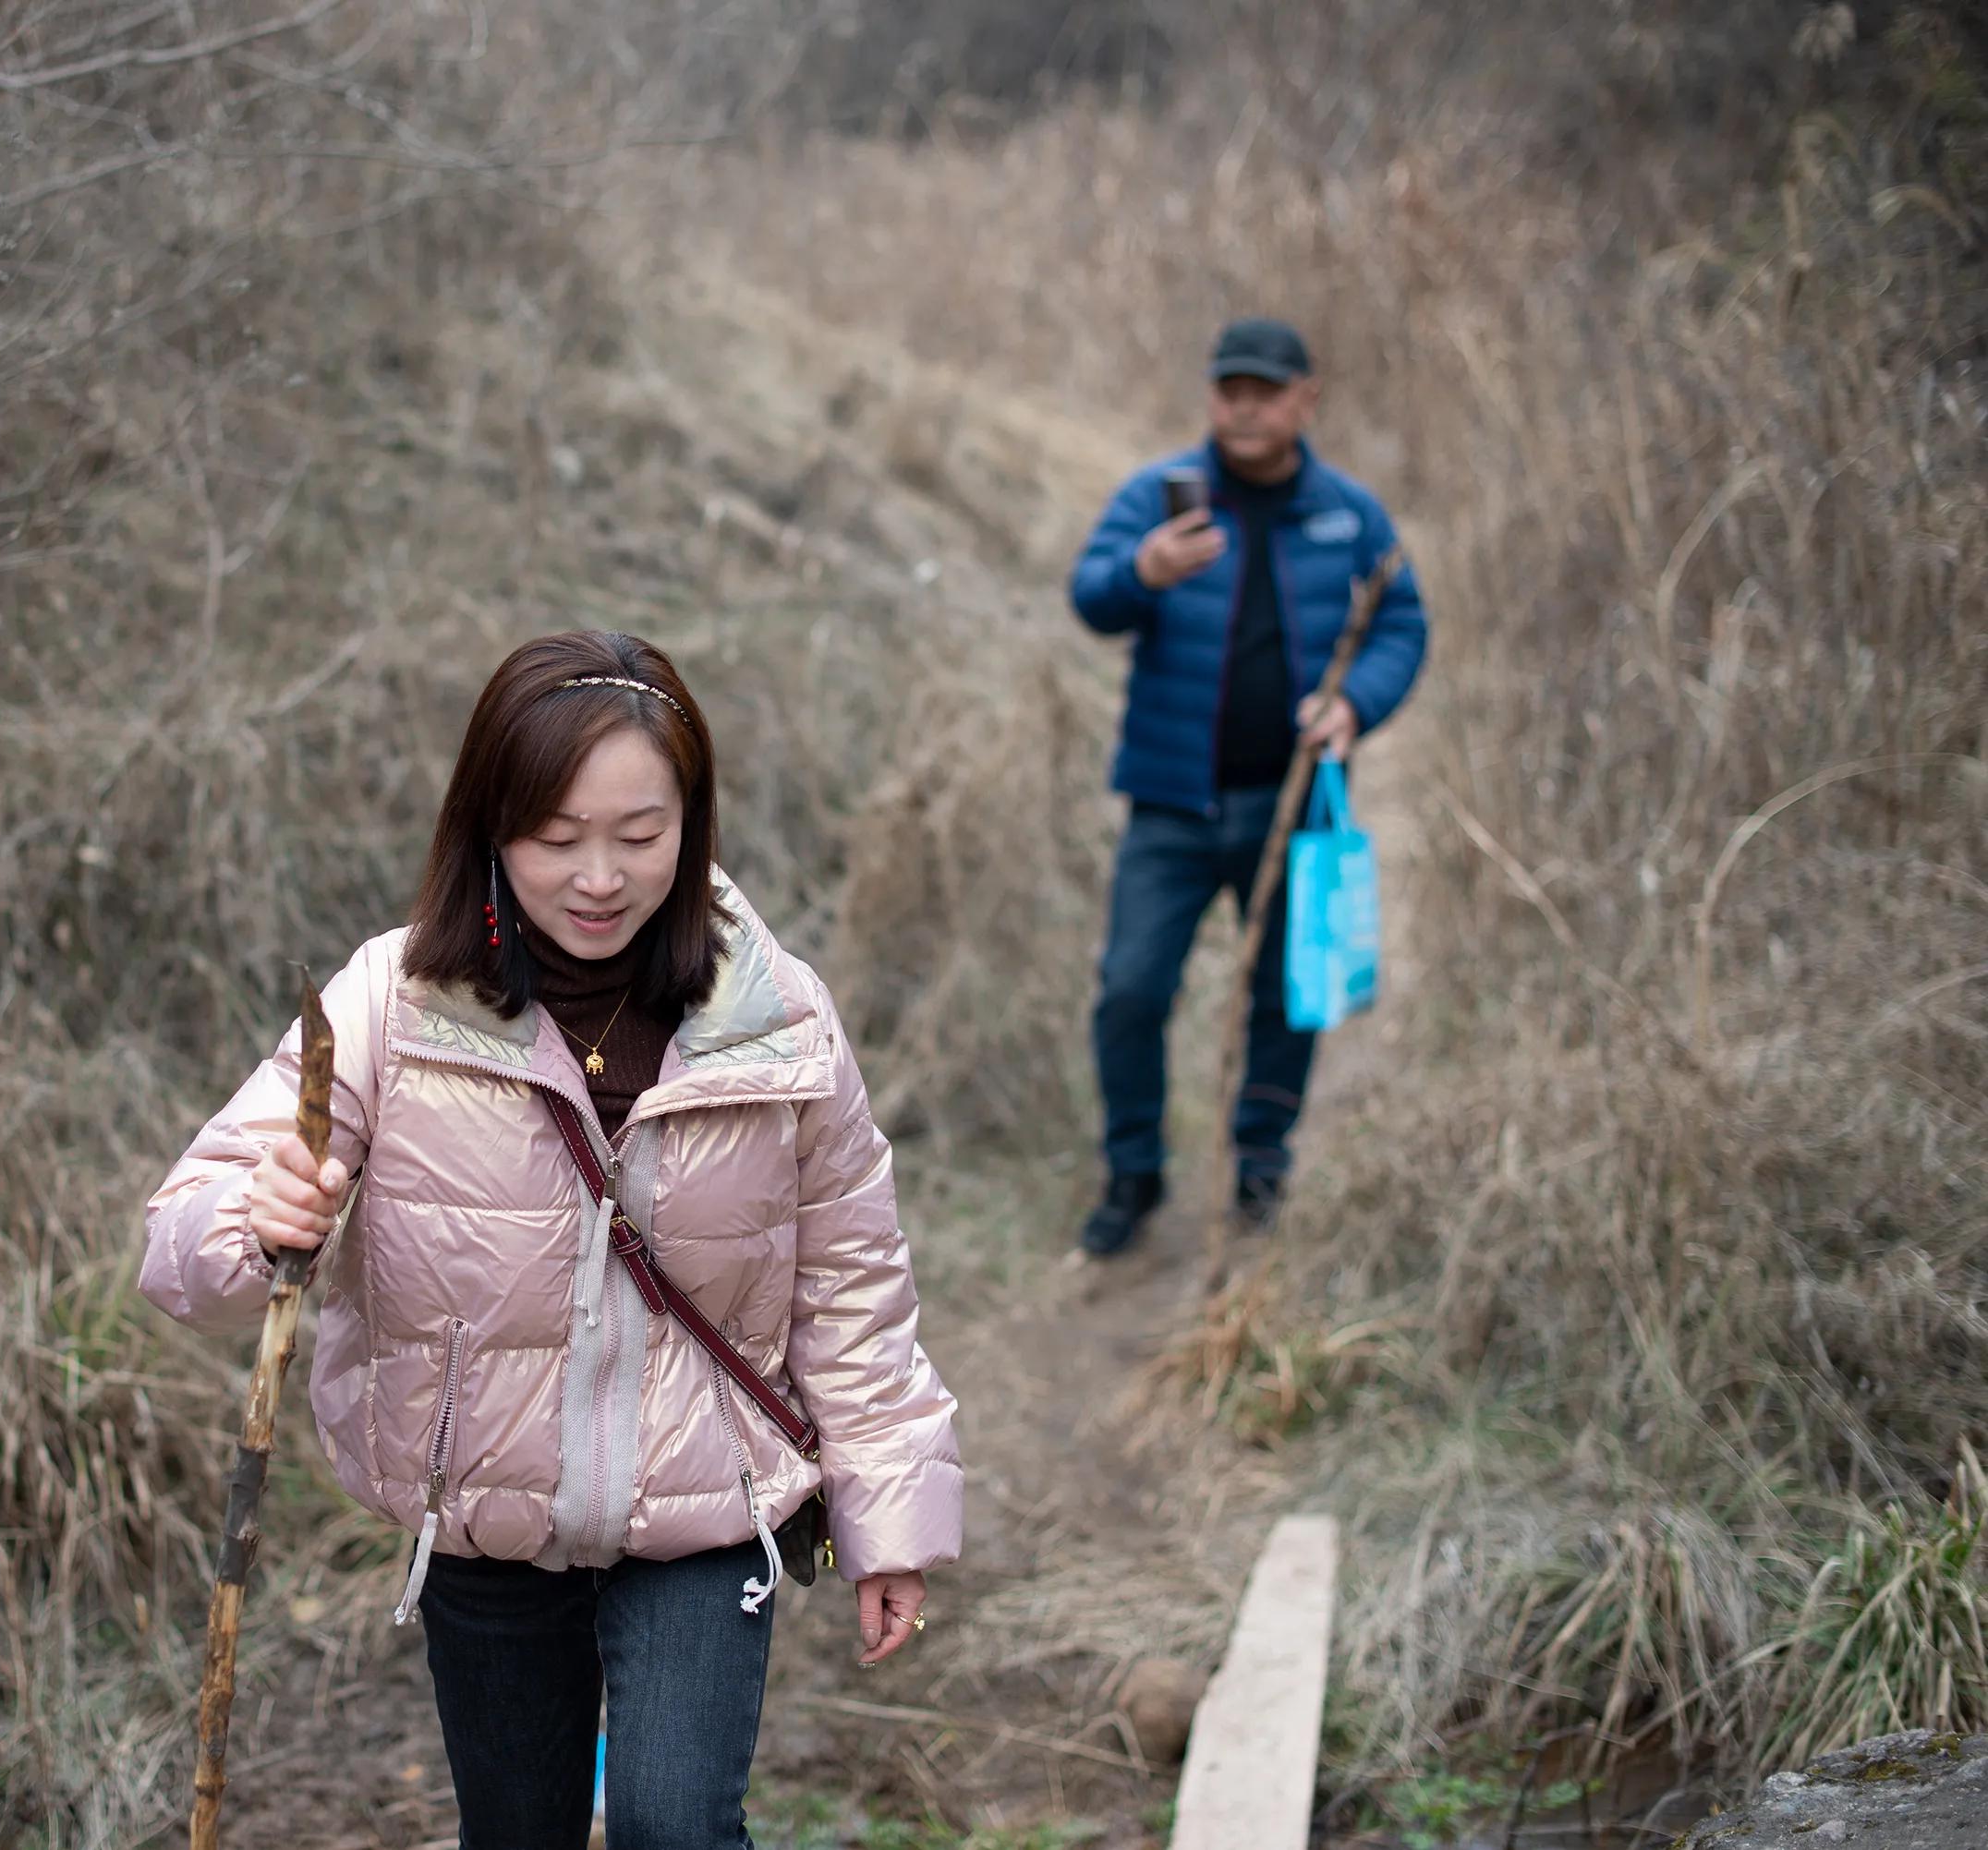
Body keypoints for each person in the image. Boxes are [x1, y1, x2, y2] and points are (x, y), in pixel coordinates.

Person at [141, 630, 964, 1850]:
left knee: (674, 1826)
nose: (598, 876)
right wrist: (260, 1221)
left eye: (640, 836)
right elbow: (181, 1239)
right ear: (488, 825)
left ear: (693, 823)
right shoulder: (393, 1006)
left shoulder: (777, 1021)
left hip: (704, 1505)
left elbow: (852, 1278)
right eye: (554, 836)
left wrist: (890, 1514)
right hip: (487, 1511)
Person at [1066, 317, 1428, 1257]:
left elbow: (1402, 623)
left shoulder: (1350, 514)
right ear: (1212, 398)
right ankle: (1133, 1171)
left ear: (1307, 399)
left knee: (1285, 996)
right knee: (1131, 990)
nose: (1246, 405)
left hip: (1296, 804)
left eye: (1267, 390)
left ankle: (1261, 1165)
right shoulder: (1160, 496)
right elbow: (1091, 592)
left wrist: (1356, 704)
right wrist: (1145, 571)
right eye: (1232, 388)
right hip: (1171, 801)